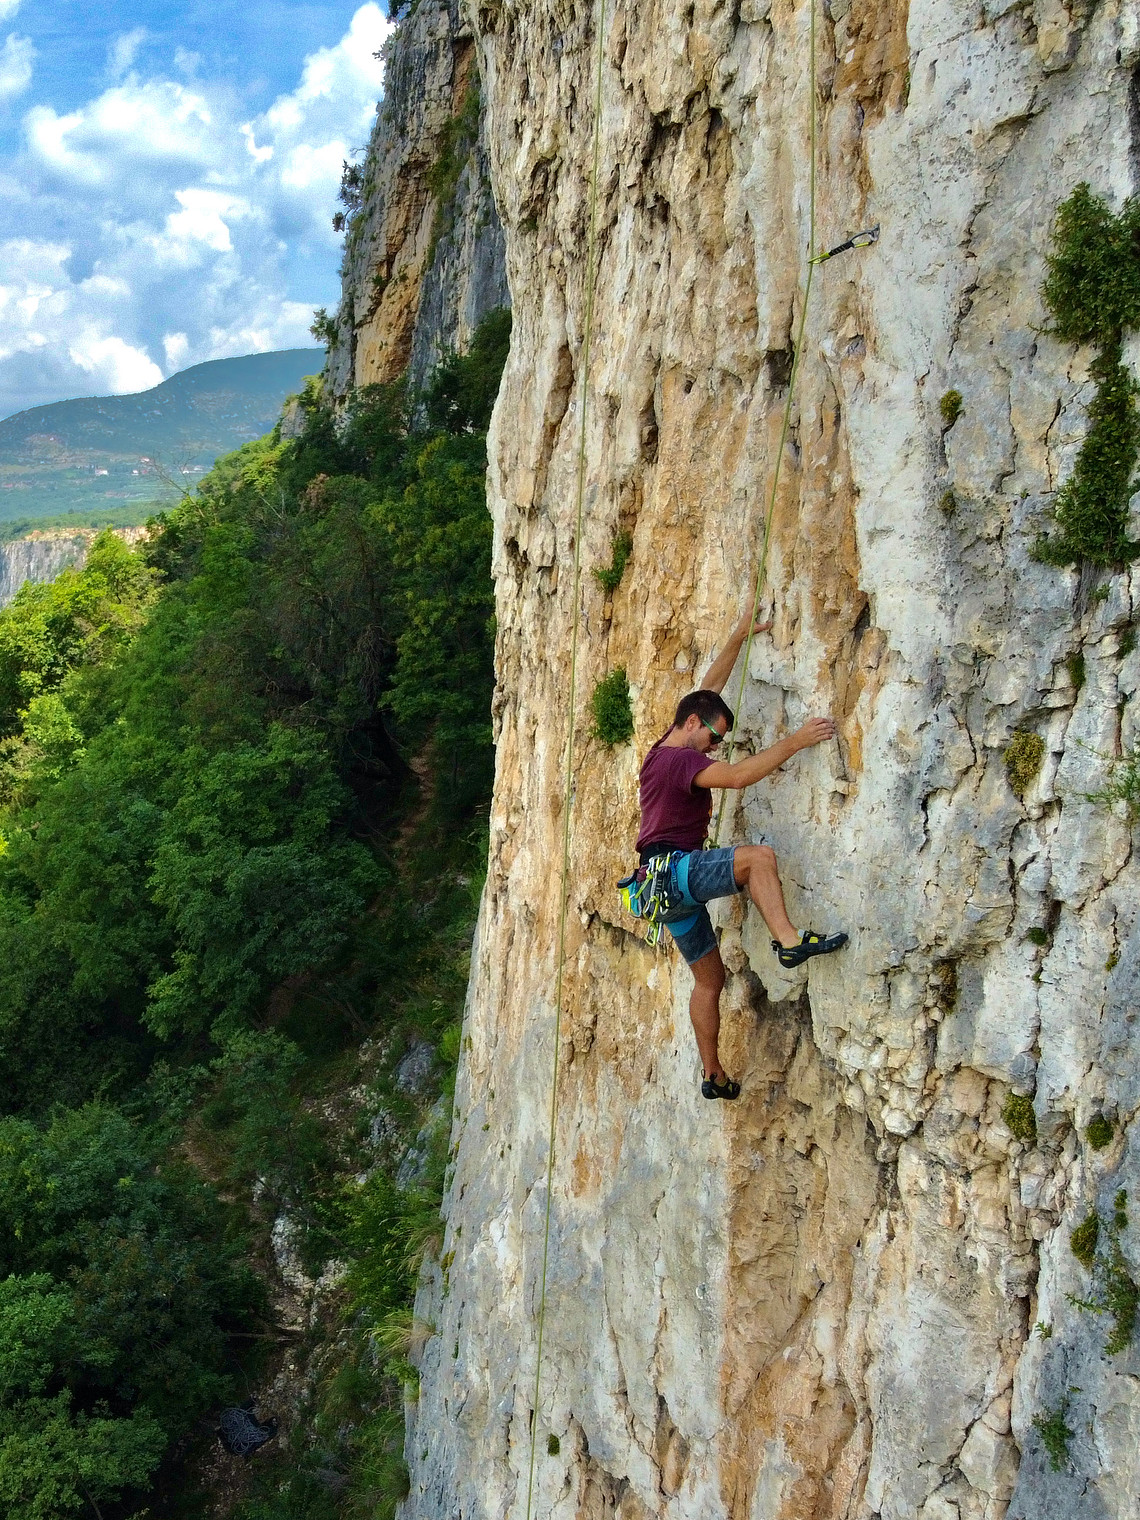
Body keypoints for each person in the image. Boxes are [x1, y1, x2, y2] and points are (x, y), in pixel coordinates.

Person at [634, 607, 848, 1101]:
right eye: (713, 737)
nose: (714, 746)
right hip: (675, 872)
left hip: (659, 892)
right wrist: (796, 741)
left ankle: (712, 1073)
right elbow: (735, 777)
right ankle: (789, 941)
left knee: (709, 981)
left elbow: (706, 690)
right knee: (758, 860)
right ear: (692, 725)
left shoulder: (663, 748)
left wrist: (737, 637)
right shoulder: (680, 760)